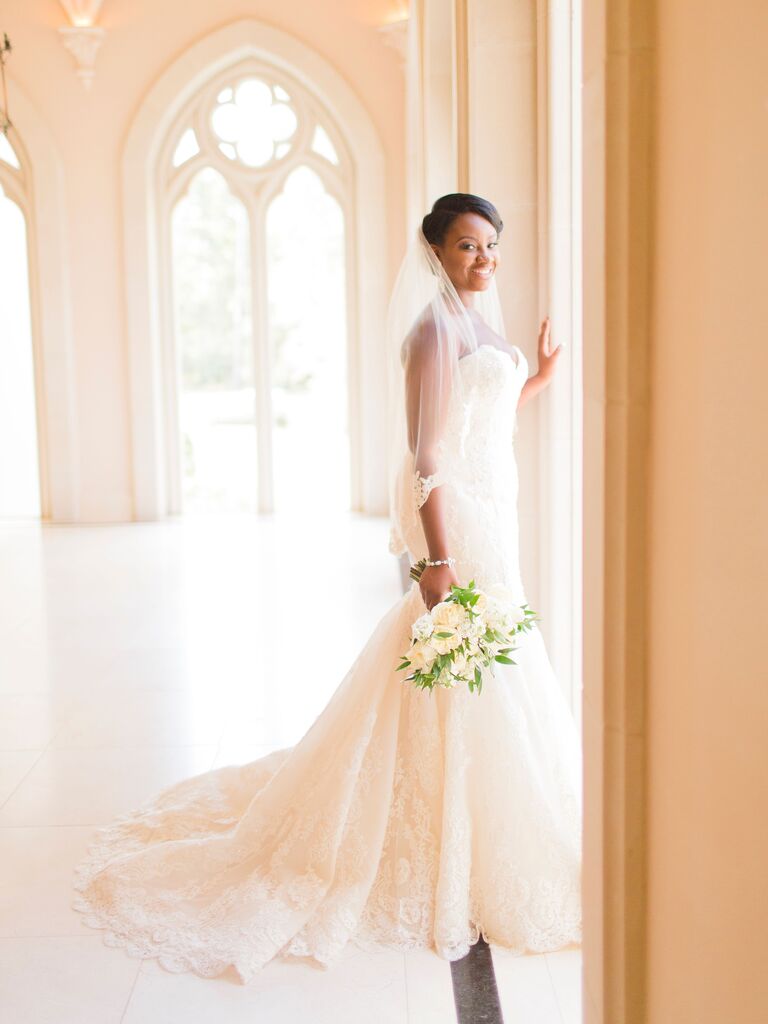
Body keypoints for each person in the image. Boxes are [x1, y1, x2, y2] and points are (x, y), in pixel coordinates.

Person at [72, 193, 582, 984]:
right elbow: (427, 453)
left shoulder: (480, 325)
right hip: (462, 523)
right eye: (466, 247)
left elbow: (485, 413)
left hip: (497, 512)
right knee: (458, 669)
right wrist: (437, 558)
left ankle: (489, 834)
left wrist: (540, 378)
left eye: (489, 246)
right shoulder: (432, 331)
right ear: (435, 251)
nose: (483, 260)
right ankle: (432, 844)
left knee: (494, 666)